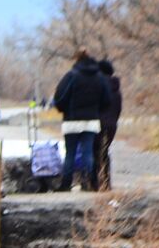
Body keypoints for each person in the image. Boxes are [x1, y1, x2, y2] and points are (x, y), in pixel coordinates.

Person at [51, 49, 111, 192]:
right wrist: (97, 110)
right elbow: (107, 99)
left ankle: (66, 184)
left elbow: (59, 96)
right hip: (91, 121)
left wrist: (62, 109)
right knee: (87, 152)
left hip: (71, 121)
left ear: (77, 60)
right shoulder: (99, 77)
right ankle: (88, 183)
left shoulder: (71, 75)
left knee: (70, 153)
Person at [96, 61, 122, 190]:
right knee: (105, 151)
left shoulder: (98, 87)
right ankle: (106, 182)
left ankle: (97, 182)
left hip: (98, 123)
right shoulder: (117, 90)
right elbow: (118, 110)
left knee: (96, 152)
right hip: (112, 124)